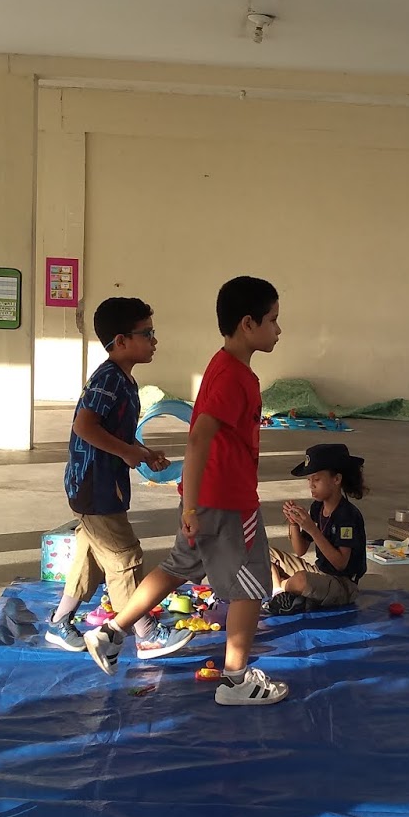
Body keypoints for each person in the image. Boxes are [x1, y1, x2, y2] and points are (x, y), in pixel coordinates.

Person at [84, 275, 290, 705]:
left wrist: (192, 504)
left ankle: (111, 632)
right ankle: (236, 682)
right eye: (272, 320)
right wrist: (192, 506)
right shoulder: (234, 378)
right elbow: (199, 438)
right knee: (252, 586)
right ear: (248, 323)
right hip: (227, 502)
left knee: (179, 566)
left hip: (207, 498)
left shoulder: (224, 366)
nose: (278, 329)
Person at [45, 297, 189, 657]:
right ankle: (145, 633)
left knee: (91, 555)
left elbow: (114, 431)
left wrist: (141, 452)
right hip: (94, 484)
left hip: (100, 483)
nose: (155, 341)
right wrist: (126, 452)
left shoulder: (123, 380)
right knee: (124, 556)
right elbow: (85, 426)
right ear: (121, 341)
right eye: (147, 333)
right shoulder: (109, 379)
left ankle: (59, 622)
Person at [265, 443, 368, 615]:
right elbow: (300, 550)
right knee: (263, 553)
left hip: (342, 584)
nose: (311, 485)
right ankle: (280, 592)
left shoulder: (347, 515)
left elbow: (340, 564)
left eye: (317, 479)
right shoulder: (317, 507)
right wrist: (294, 523)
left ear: (336, 479)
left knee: (302, 580)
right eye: (309, 480)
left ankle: (283, 587)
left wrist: (313, 530)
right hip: (320, 572)